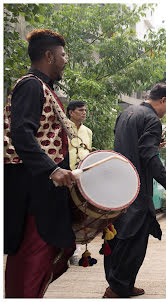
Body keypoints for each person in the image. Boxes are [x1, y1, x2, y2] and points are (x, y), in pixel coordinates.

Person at [4, 29, 76, 298]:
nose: (65, 60)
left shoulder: (40, 86)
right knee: (31, 258)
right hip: (33, 191)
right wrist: (52, 169)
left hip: (40, 188)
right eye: (62, 55)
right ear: (49, 55)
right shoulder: (31, 85)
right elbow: (21, 133)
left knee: (42, 257)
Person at [103, 83, 166, 298]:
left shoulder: (126, 113)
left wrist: (152, 146)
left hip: (119, 184)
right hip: (137, 186)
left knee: (117, 235)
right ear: (162, 100)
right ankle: (117, 287)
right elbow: (147, 155)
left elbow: (127, 144)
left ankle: (121, 283)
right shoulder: (152, 119)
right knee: (135, 238)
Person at [66, 100, 93, 265]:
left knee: (79, 214)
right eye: (80, 110)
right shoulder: (62, 128)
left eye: (85, 110)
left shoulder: (87, 131)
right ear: (70, 112)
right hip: (64, 177)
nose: (83, 113)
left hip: (82, 179)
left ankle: (76, 251)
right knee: (63, 212)